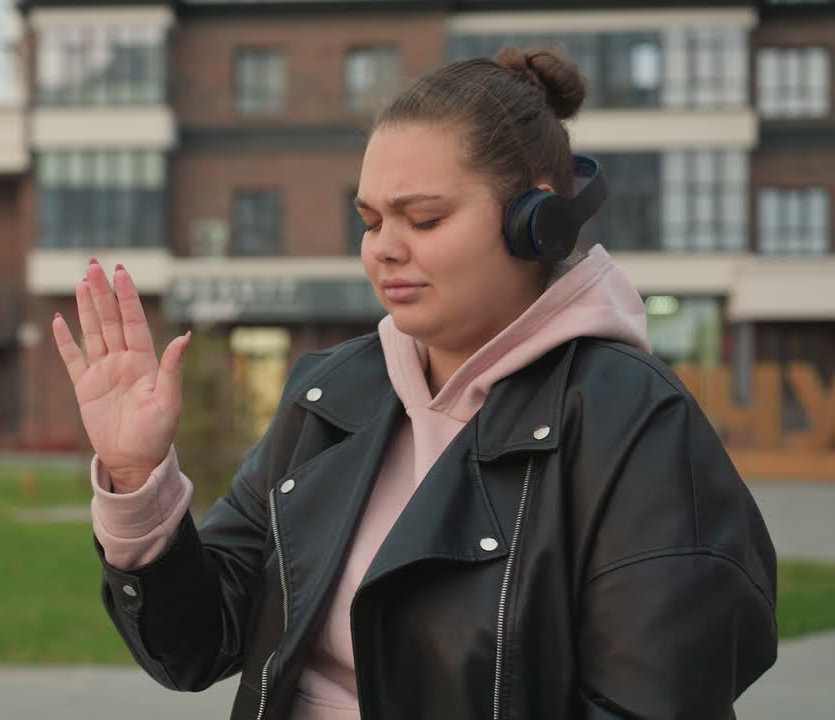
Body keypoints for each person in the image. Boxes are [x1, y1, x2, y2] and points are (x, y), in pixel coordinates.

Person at [52, 48, 777, 720]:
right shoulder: (330, 392)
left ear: (540, 220)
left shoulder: (634, 420)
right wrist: (137, 475)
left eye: (423, 218)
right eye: (370, 221)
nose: (384, 250)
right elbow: (199, 645)